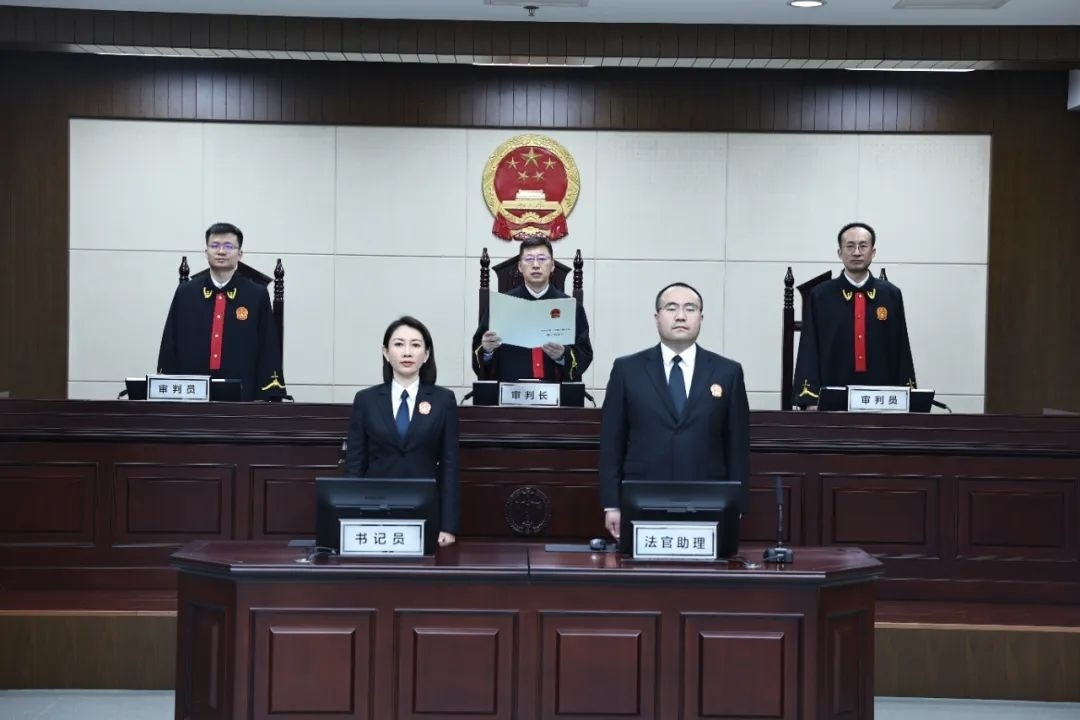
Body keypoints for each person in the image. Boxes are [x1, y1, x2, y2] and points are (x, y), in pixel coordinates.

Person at [598, 282, 750, 541]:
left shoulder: (728, 372)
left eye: (690, 309)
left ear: (701, 318)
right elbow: (612, 441)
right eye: (671, 308)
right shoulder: (627, 370)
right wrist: (611, 504)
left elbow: (738, 446)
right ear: (657, 317)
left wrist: (737, 504)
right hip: (642, 495)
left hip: (708, 497)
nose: (681, 316)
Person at [344, 316, 459, 547]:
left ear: (426, 355)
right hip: (375, 508)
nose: (407, 352)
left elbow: (450, 465)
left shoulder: (443, 400)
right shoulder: (366, 400)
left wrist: (448, 526)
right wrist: (351, 517)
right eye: (399, 344)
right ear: (386, 353)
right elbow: (355, 463)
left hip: (425, 507)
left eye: (415, 345)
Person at [791, 222, 916, 409]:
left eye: (863, 246)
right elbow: (809, 347)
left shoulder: (890, 295)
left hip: (882, 399)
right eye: (850, 246)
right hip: (832, 396)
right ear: (840, 253)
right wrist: (810, 399)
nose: (856, 252)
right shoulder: (821, 295)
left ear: (873, 252)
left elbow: (902, 349)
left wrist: (908, 398)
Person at [157, 222, 286, 401]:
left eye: (228, 246)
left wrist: (266, 396)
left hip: (242, 394)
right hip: (192, 393)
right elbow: (170, 342)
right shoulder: (186, 292)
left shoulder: (256, 294)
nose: (221, 251)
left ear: (240, 254)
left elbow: (268, 346)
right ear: (206, 252)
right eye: (215, 245)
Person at [471, 237, 593, 382]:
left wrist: (562, 356)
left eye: (542, 259)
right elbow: (478, 351)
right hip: (509, 389)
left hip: (556, 390)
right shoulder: (500, 306)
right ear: (520, 266)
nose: (535, 265)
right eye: (529, 259)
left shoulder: (571, 307)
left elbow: (584, 353)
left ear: (552, 265)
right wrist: (487, 350)